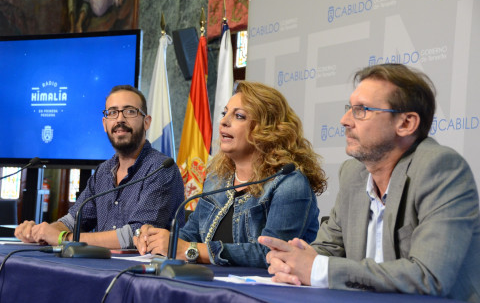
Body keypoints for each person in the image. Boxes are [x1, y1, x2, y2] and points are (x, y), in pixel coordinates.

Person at [259, 64, 480, 302]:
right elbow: (325, 250)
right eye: (350, 109)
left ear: (406, 123)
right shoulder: (354, 174)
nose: (345, 121)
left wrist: (318, 269)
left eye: (361, 110)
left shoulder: (441, 168)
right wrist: (291, 260)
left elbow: (429, 277)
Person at [134, 81, 327, 268]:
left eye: (239, 116)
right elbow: (190, 235)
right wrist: (159, 240)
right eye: (224, 113)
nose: (224, 122)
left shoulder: (289, 184)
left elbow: (271, 254)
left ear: (268, 129)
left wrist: (191, 251)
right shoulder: (217, 180)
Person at [15, 85, 185, 249]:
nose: (120, 119)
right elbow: (72, 221)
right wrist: (39, 232)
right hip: (101, 271)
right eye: (112, 112)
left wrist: (62, 238)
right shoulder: (103, 171)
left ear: (146, 122)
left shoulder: (161, 168)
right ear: (105, 124)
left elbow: (137, 235)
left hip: (143, 275)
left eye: (130, 111)